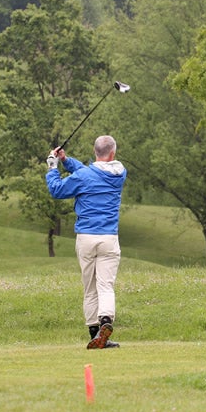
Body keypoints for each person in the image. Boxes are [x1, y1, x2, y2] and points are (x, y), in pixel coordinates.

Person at [46, 135, 127, 349]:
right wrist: (67, 160)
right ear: (113, 153)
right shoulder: (120, 172)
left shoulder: (84, 176)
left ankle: (94, 333)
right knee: (105, 285)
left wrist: (53, 167)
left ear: (94, 152)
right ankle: (105, 322)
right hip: (109, 237)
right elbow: (90, 173)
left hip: (86, 238)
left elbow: (57, 190)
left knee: (90, 287)